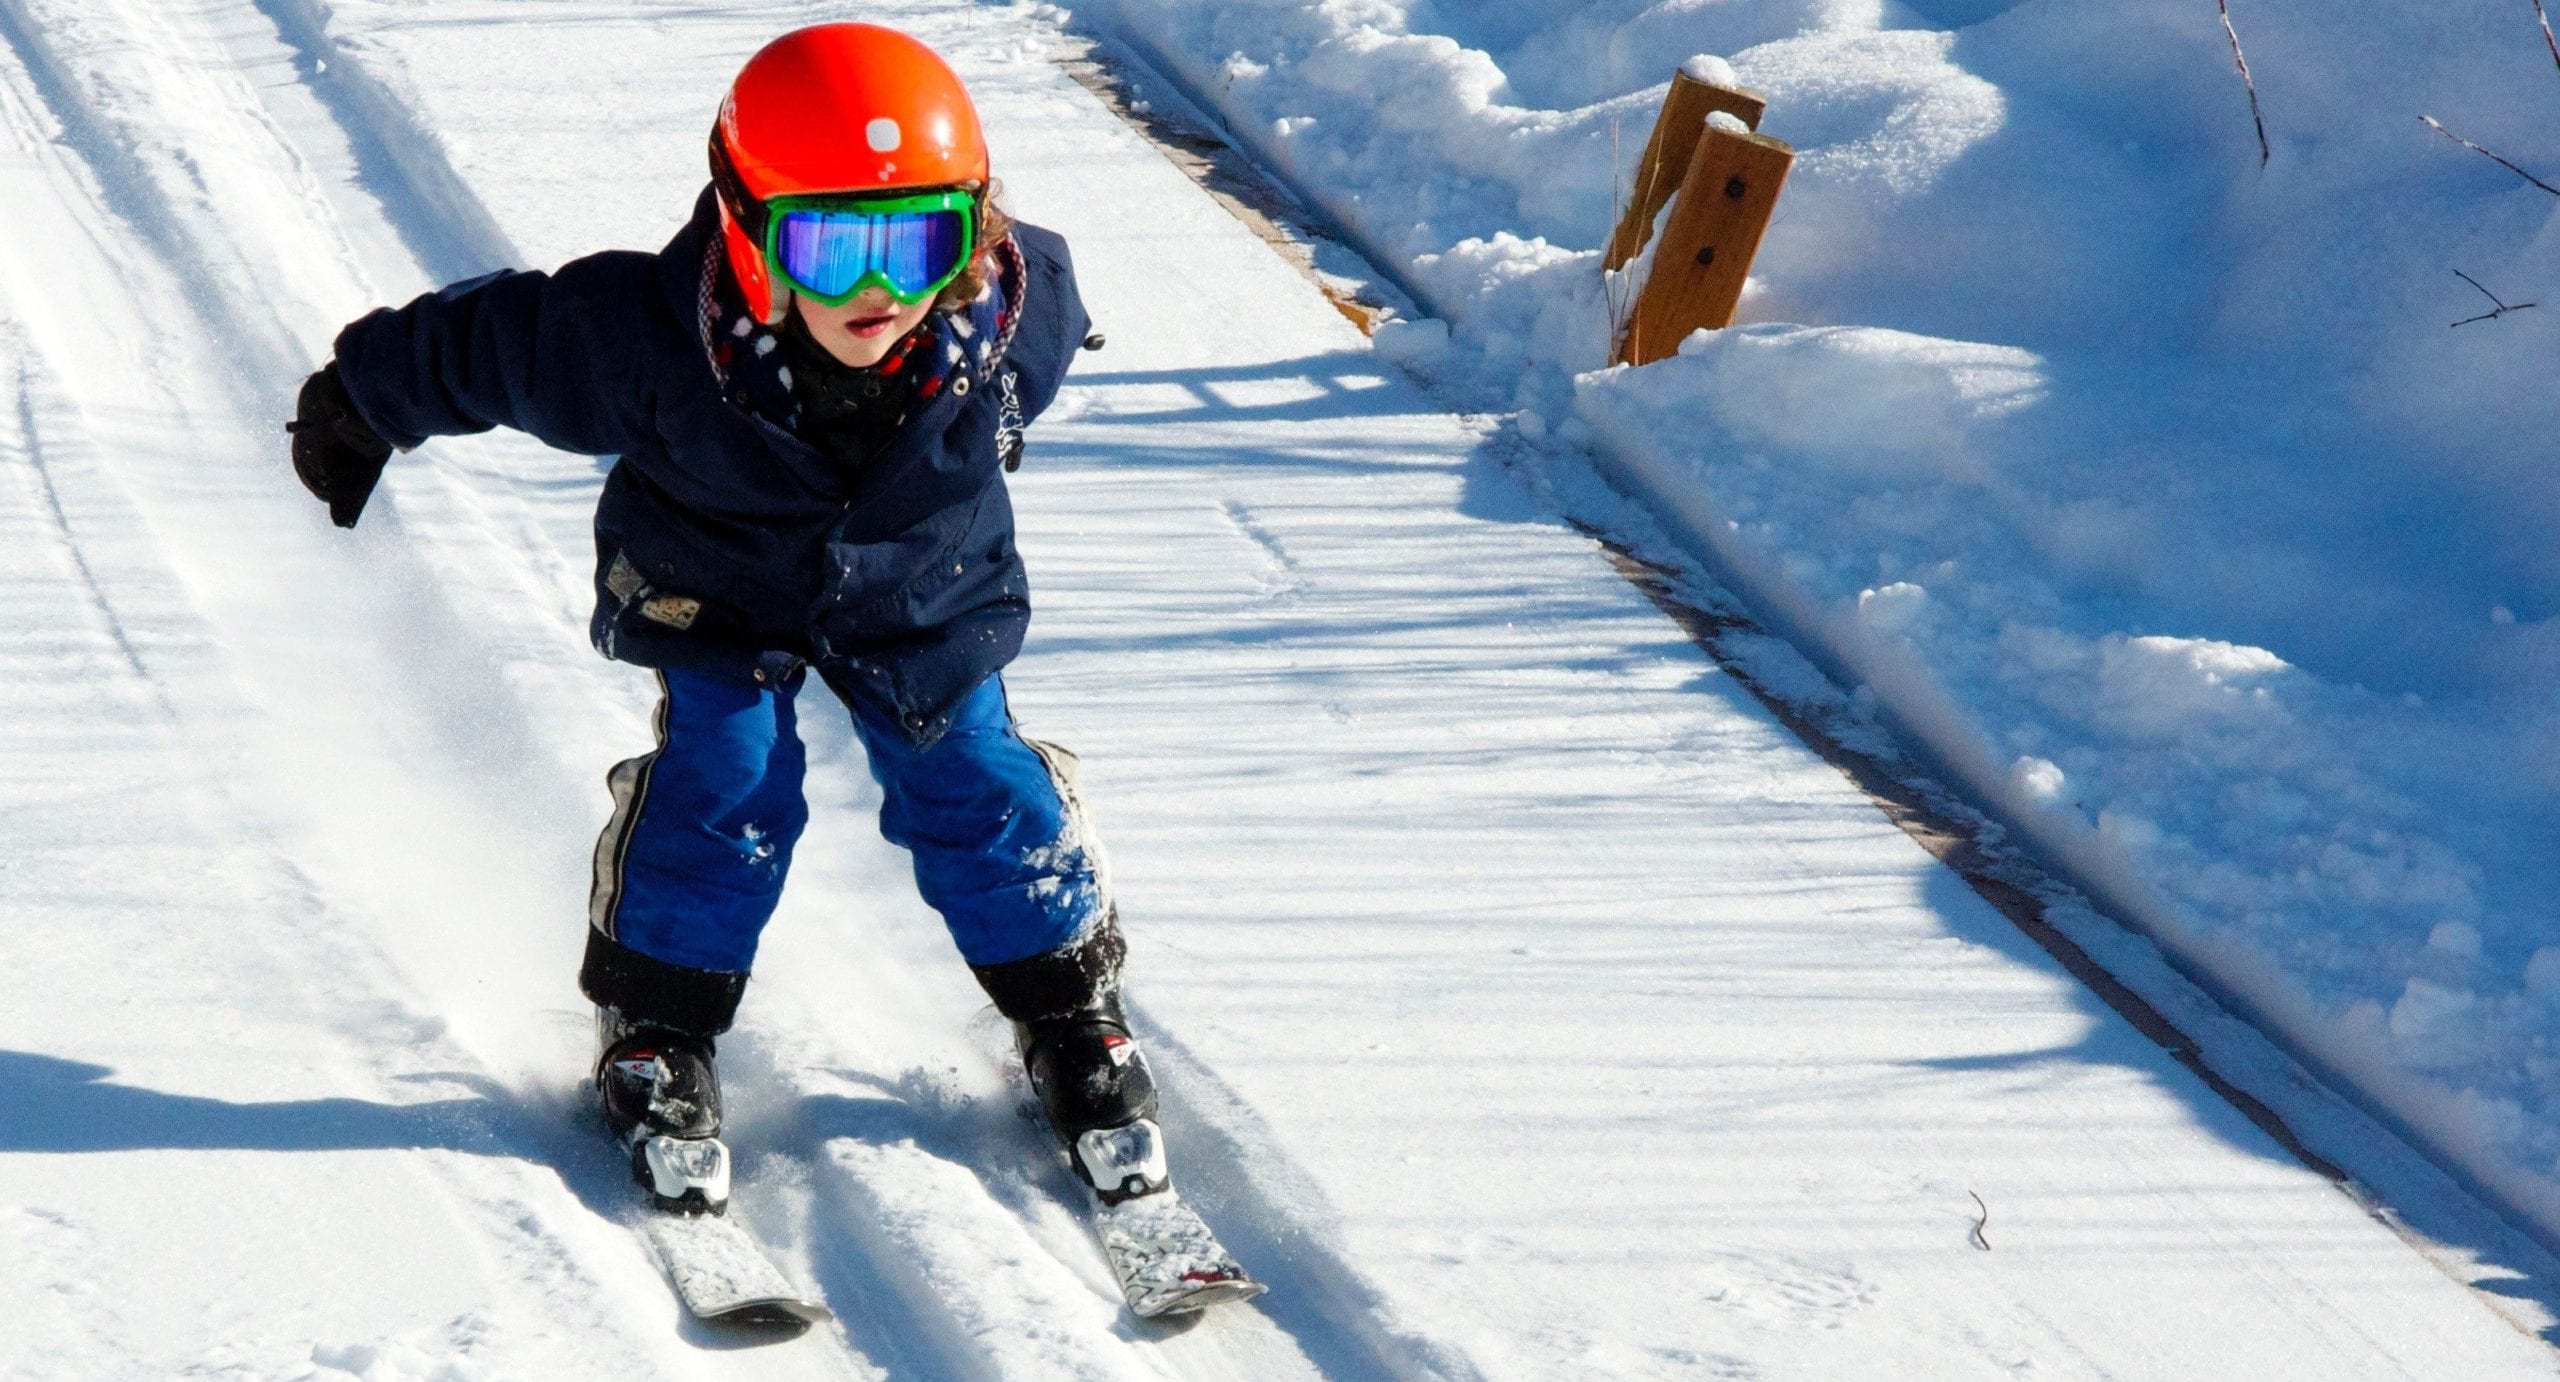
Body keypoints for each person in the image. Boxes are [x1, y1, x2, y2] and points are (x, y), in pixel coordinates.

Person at [283, 22, 1165, 1214]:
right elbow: (489, 342)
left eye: (918, 244)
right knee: (728, 776)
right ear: (751, 236)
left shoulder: (1007, 328)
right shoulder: (649, 340)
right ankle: (658, 1024)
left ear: (967, 238)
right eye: (830, 245)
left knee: (970, 774)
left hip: (920, 595)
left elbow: (1044, 282)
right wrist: (361, 398)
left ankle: (1069, 1011)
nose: (878, 289)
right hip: (718, 592)